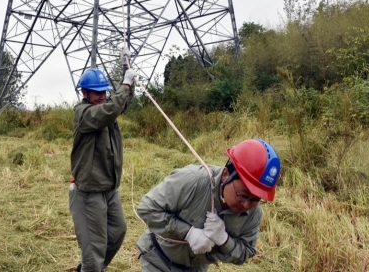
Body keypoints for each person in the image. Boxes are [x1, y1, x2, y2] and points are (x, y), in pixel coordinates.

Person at [136, 138, 281, 272]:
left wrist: (225, 240)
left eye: (255, 200)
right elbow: (147, 209)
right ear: (226, 175)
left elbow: (247, 251)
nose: (246, 204)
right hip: (158, 259)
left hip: (197, 268)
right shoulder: (193, 181)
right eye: (242, 195)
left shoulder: (254, 214)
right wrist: (188, 232)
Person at [69, 53, 137, 271]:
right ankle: (91, 267)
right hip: (90, 193)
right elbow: (109, 110)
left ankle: (90, 267)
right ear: (84, 93)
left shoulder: (106, 107)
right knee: (94, 248)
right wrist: (124, 84)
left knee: (117, 233)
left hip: (109, 189)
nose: (101, 96)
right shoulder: (84, 114)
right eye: (96, 93)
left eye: (104, 92)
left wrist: (128, 78)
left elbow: (120, 104)